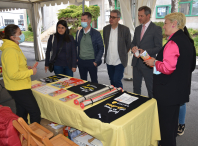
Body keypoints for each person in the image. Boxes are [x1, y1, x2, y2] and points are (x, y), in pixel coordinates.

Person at [144, 12, 196, 146]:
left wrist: (154, 62)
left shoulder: (173, 43)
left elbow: (168, 68)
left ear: (174, 24)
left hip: (167, 93)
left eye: (165, 23)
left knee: (165, 128)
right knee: (172, 125)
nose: (163, 26)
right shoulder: (187, 41)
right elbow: (190, 66)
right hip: (178, 92)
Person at [0, 24, 41, 123]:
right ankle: (34, 137)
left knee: (22, 111)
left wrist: (25, 68)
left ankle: (21, 134)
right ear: (12, 37)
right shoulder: (11, 51)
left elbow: (15, 66)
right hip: (18, 88)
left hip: (18, 86)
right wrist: (31, 72)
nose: (22, 35)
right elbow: (12, 74)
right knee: (35, 112)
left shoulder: (13, 47)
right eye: (20, 33)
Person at [131, 6, 162, 98]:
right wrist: (133, 48)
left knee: (151, 88)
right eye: (138, 16)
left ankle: (152, 109)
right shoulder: (137, 29)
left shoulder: (156, 29)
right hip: (136, 63)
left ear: (148, 15)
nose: (139, 18)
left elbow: (159, 47)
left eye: (141, 16)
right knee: (136, 88)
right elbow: (133, 43)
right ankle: (137, 106)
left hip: (148, 63)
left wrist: (145, 52)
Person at [103, 10, 131, 88]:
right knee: (112, 80)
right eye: (110, 17)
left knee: (117, 80)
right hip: (109, 60)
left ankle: (120, 96)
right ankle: (113, 96)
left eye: (113, 17)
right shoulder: (106, 29)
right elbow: (105, 42)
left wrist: (123, 53)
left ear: (118, 19)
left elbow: (128, 44)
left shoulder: (125, 29)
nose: (111, 19)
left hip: (119, 61)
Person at [76, 12, 104, 83]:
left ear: (89, 20)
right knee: (83, 82)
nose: (82, 21)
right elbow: (76, 46)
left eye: (84, 19)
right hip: (81, 62)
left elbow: (101, 48)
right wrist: (77, 59)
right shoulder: (78, 33)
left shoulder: (96, 33)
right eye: (81, 19)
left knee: (94, 82)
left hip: (92, 62)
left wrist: (96, 61)